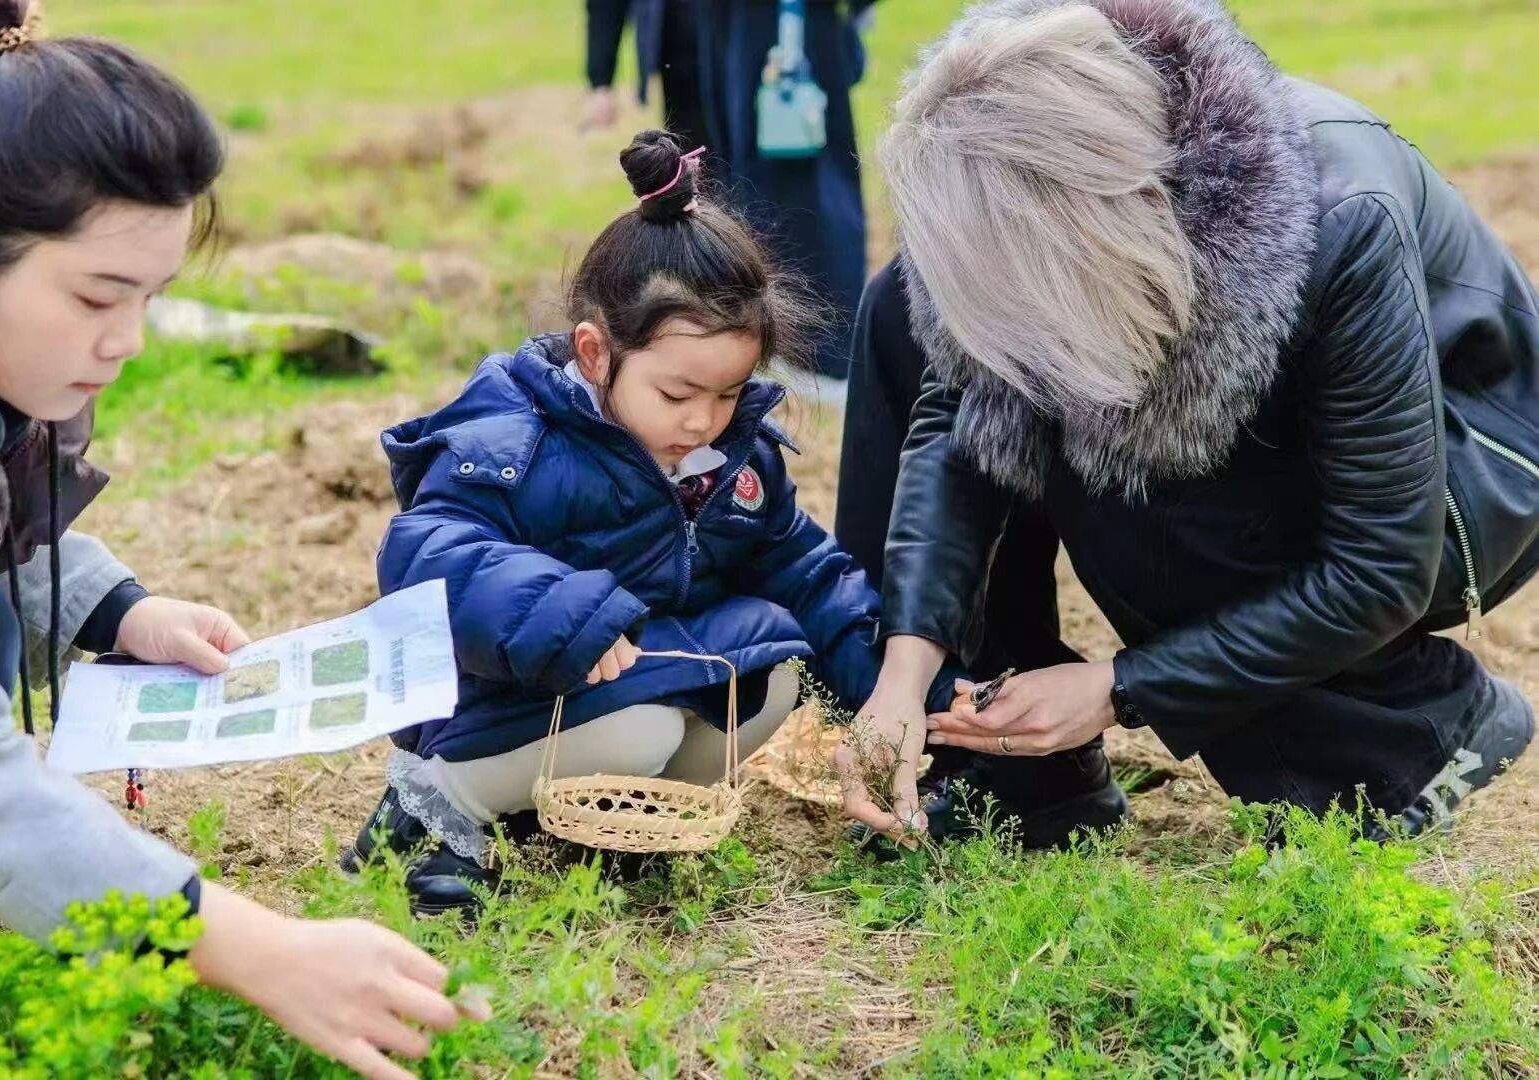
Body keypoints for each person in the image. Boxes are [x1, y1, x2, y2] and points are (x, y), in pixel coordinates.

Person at [0, 4, 483, 1077]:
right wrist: (257, 948)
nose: (128, 342)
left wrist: (119, 612)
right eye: (97, 296)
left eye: (152, 297)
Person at [835, 0, 1538, 846]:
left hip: (1459, 485)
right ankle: (1000, 755)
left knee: (1135, 469)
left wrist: (1120, 690)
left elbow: (1383, 563)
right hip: (1274, 436)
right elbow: (961, 424)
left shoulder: (1342, 218)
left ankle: (1403, 736)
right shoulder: (1019, 199)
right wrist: (906, 668)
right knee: (900, 309)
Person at [343, 130, 958, 910]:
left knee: (768, 674)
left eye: (729, 394)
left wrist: (911, 693)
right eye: (676, 394)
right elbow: (427, 555)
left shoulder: (732, 461)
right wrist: (565, 609)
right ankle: (435, 811)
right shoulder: (515, 445)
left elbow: (808, 577)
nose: (703, 420)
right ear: (595, 354)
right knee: (644, 731)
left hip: (628, 687)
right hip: (503, 702)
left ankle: (614, 827)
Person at [583, 0, 875, 385]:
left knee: (801, 197)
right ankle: (733, 338)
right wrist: (600, 72)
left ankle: (818, 357)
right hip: (703, 42)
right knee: (714, 198)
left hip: (787, 36)